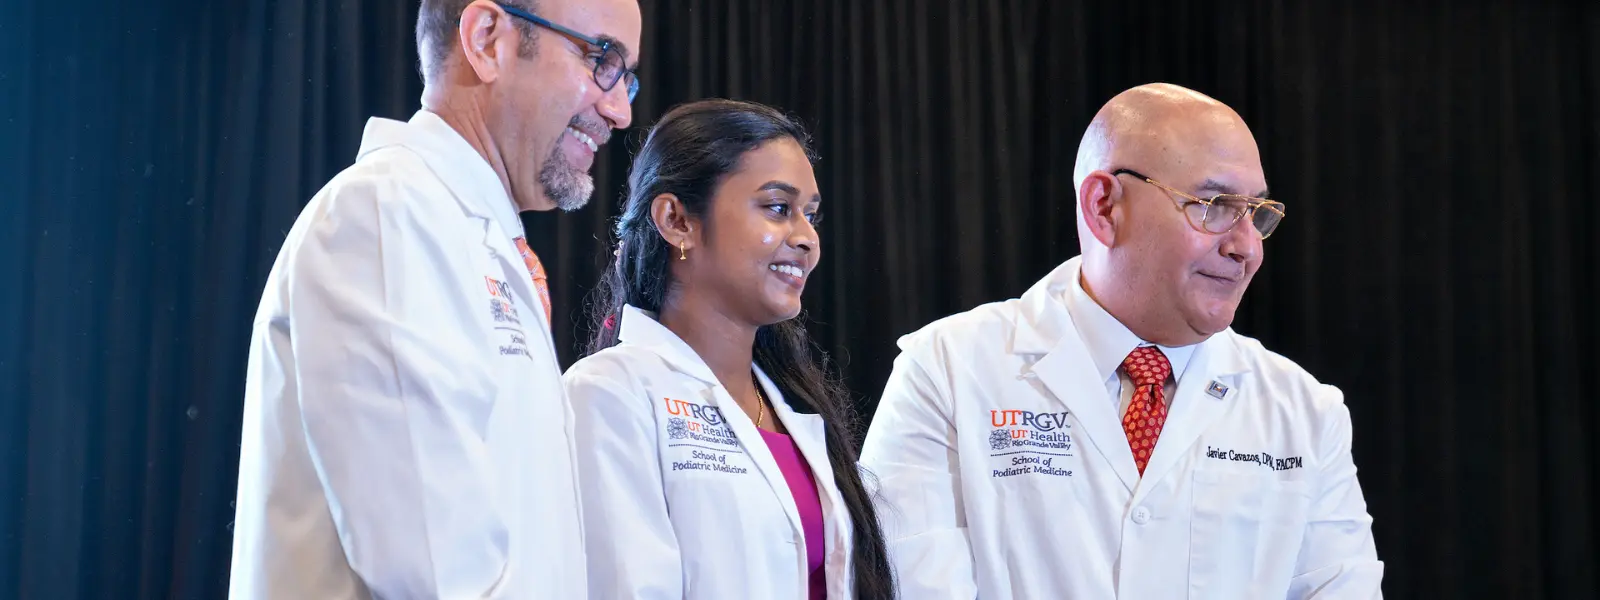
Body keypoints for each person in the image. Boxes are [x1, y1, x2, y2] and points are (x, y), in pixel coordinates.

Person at [858, 83, 1384, 599]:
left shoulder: (1307, 413)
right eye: (1214, 204)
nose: (1246, 247)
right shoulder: (947, 371)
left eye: (1257, 214)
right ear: (1104, 206)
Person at [229, 0, 640, 597]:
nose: (620, 109)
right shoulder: (386, 213)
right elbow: (435, 570)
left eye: (627, 76)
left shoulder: (472, 235)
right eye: (601, 58)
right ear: (487, 37)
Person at [562, 98, 897, 600]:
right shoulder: (609, 393)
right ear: (677, 220)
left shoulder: (793, 408)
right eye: (778, 208)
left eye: (810, 215)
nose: (807, 238)